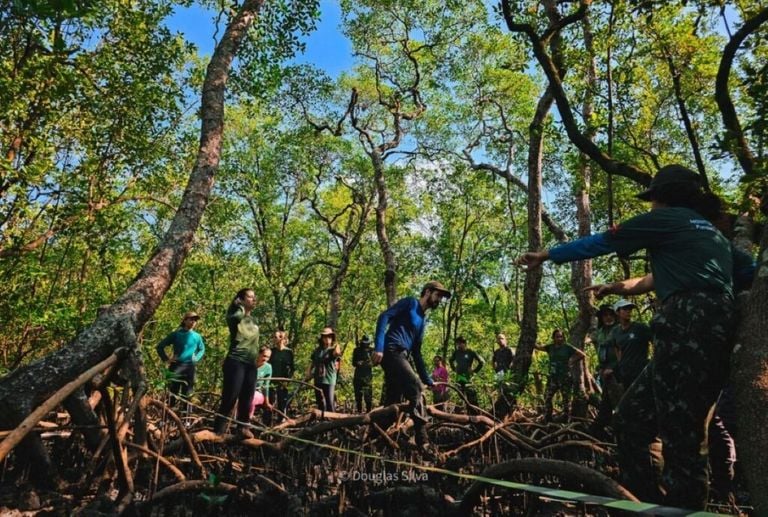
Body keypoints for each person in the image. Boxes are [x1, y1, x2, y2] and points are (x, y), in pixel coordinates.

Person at [516, 164, 739, 509]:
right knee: (631, 420)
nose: (650, 205)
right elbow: (656, 279)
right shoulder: (709, 235)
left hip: (686, 326)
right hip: (701, 329)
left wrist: (546, 254)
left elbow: (602, 241)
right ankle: (647, 505)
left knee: (683, 439)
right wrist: (615, 286)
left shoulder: (666, 219)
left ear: (662, 199)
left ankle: (682, 510)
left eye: (653, 199)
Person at [372, 280, 450, 449]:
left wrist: (429, 380)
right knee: (416, 389)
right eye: (438, 295)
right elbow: (384, 316)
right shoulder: (410, 303)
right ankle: (424, 442)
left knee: (393, 406)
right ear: (428, 292)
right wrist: (378, 347)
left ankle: (372, 440)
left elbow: (417, 353)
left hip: (403, 356)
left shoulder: (422, 321)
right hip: (392, 351)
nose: (439, 300)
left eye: (442, 298)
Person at [213, 288, 261, 438]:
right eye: (250, 297)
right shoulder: (235, 315)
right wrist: (238, 305)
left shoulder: (253, 320)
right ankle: (219, 430)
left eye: (254, 297)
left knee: (248, 396)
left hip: (250, 364)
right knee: (230, 396)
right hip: (236, 362)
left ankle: (243, 428)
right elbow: (235, 315)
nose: (254, 299)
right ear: (240, 299)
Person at [155, 311, 206, 408]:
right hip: (176, 366)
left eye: (195, 320)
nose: (193, 322)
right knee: (172, 393)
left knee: (187, 394)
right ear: (185, 320)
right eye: (191, 319)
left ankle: (185, 420)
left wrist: (196, 358)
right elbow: (160, 346)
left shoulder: (197, 336)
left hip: (189, 367)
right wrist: (166, 359)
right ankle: (169, 418)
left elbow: (202, 349)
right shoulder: (176, 334)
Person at [534, 329, 586, 421]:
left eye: (561, 336)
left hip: (565, 378)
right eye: (557, 336)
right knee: (547, 397)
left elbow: (582, 355)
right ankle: (548, 417)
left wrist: (571, 361)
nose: (559, 338)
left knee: (566, 399)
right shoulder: (550, 347)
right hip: (553, 378)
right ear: (553, 338)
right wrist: (531, 340)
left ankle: (566, 418)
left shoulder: (567, 347)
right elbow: (538, 347)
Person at [588, 304, 619, 438]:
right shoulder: (599, 332)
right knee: (606, 406)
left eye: (610, 314)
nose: (608, 317)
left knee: (620, 405)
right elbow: (590, 339)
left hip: (617, 372)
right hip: (604, 372)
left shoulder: (619, 329)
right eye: (605, 315)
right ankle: (596, 434)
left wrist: (615, 368)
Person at [607, 299, 652, 389]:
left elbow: (655, 341)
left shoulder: (640, 327)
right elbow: (617, 348)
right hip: (625, 372)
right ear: (617, 312)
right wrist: (619, 365)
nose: (628, 311)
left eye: (630, 309)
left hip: (641, 371)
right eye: (625, 309)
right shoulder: (615, 331)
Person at [306, 327, 341, 412]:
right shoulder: (317, 350)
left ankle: (333, 422)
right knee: (320, 402)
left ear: (332, 338)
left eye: (329, 336)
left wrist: (337, 345)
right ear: (322, 338)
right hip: (318, 379)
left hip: (329, 380)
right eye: (325, 337)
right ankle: (322, 421)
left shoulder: (332, 349)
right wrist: (308, 372)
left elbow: (336, 354)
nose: (327, 338)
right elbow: (313, 362)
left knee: (330, 402)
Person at [449, 336, 485, 405]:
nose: (458, 345)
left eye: (460, 343)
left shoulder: (470, 352)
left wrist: (474, 371)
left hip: (468, 376)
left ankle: (474, 410)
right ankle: (464, 409)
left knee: (470, 394)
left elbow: (482, 362)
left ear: (464, 343)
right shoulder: (456, 352)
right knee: (460, 394)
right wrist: (454, 368)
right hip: (459, 376)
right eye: (457, 344)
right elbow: (450, 360)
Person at [268, 329, 294, 420]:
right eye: (274, 337)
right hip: (271, 381)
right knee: (270, 402)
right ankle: (267, 422)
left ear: (283, 338)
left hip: (283, 382)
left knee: (282, 402)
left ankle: (282, 421)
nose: (275, 339)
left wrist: (288, 381)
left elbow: (292, 368)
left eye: (277, 337)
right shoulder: (272, 351)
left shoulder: (288, 352)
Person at [249, 345, 273, 419]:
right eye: (264, 356)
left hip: (257, 392)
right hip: (245, 390)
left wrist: (267, 402)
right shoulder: (250, 363)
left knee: (252, 398)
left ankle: (247, 419)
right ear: (259, 354)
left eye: (268, 357)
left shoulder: (268, 367)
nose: (265, 359)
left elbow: (266, 385)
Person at [352, 335, 374, 413]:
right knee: (358, 396)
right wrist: (358, 363)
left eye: (367, 343)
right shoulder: (356, 350)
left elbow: (375, 362)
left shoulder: (372, 351)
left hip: (368, 376)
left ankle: (369, 412)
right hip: (358, 375)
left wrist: (369, 363)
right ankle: (359, 411)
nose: (365, 344)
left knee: (368, 395)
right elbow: (353, 363)